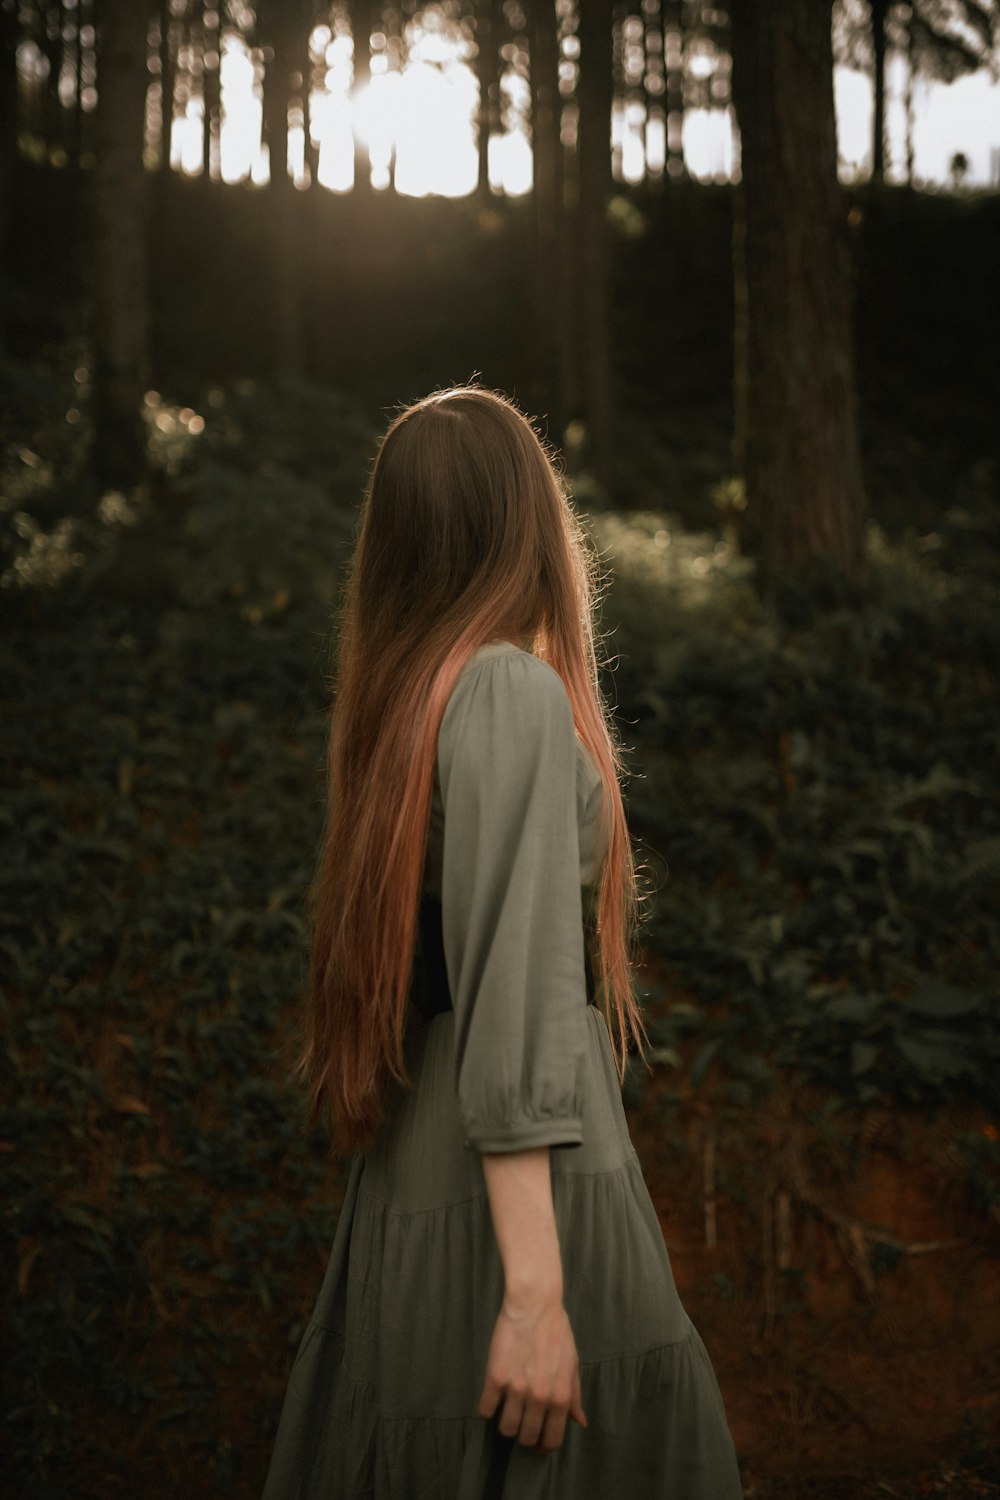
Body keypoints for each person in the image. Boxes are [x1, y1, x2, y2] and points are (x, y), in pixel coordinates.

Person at [261, 386, 744, 1499]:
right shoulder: (509, 695)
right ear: (529, 519)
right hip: (527, 1190)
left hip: (418, 1176)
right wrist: (533, 1296)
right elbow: (516, 993)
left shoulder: (406, 706)